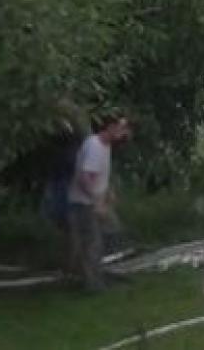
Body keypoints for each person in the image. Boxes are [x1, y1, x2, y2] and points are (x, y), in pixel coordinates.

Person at [66, 112, 132, 292]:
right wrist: (97, 202)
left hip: (96, 200)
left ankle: (108, 272)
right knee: (92, 244)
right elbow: (85, 177)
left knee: (113, 232)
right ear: (110, 127)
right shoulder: (95, 146)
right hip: (84, 203)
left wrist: (108, 191)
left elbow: (99, 174)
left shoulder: (105, 146)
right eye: (121, 127)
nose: (124, 132)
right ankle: (93, 285)